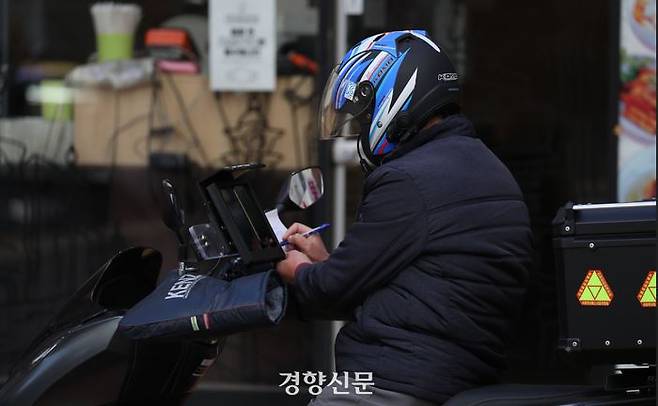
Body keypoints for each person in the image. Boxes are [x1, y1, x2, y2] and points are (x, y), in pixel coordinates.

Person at [276, 30, 533, 405]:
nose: (361, 131)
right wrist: (324, 261)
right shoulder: (480, 165)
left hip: (395, 378)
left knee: (311, 391)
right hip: (452, 372)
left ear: (397, 97)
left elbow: (329, 289)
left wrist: (293, 267)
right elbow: (398, 286)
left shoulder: (408, 179)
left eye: (363, 119)